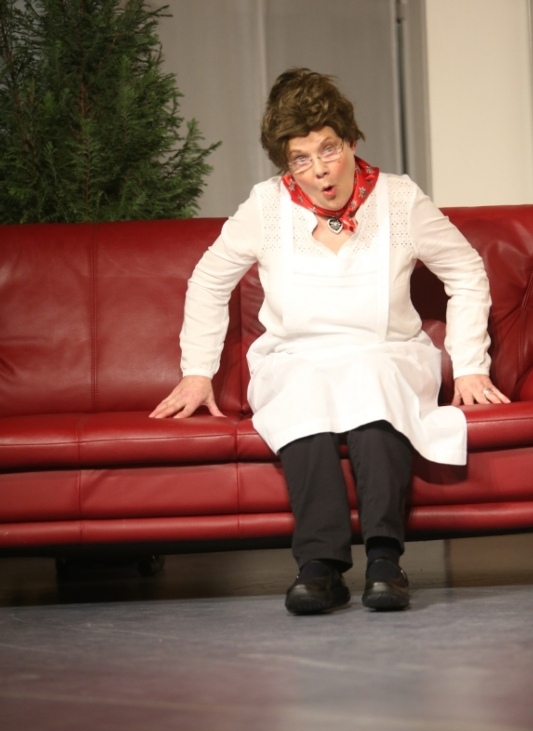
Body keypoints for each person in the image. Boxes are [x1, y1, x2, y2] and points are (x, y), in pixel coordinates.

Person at [150, 67, 510, 615]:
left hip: (385, 351)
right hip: (296, 356)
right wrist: (197, 371)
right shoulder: (266, 206)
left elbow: (465, 270)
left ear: (351, 141)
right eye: (300, 158)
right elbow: (208, 279)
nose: (319, 170)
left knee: (373, 381)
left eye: (328, 149)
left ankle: (385, 561)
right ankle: (319, 566)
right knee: (304, 389)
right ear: (285, 163)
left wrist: (470, 365)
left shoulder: (398, 198)